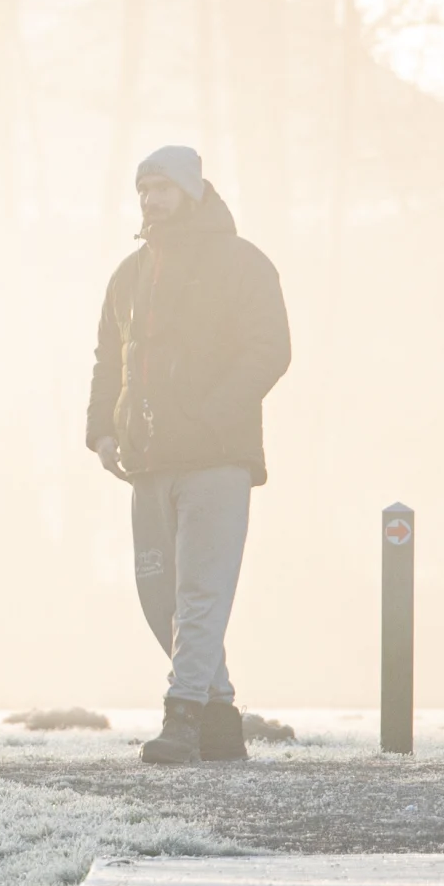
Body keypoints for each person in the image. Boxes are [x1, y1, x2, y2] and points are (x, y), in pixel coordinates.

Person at [85, 145, 291, 764]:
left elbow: (270, 349)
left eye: (163, 188)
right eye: (144, 189)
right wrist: (102, 432)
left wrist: (209, 416)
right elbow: (105, 361)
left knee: (201, 591)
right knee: (160, 598)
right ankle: (221, 716)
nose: (151, 199)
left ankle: (181, 718)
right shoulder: (128, 274)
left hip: (216, 459)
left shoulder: (242, 263)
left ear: (192, 192)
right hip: (146, 461)